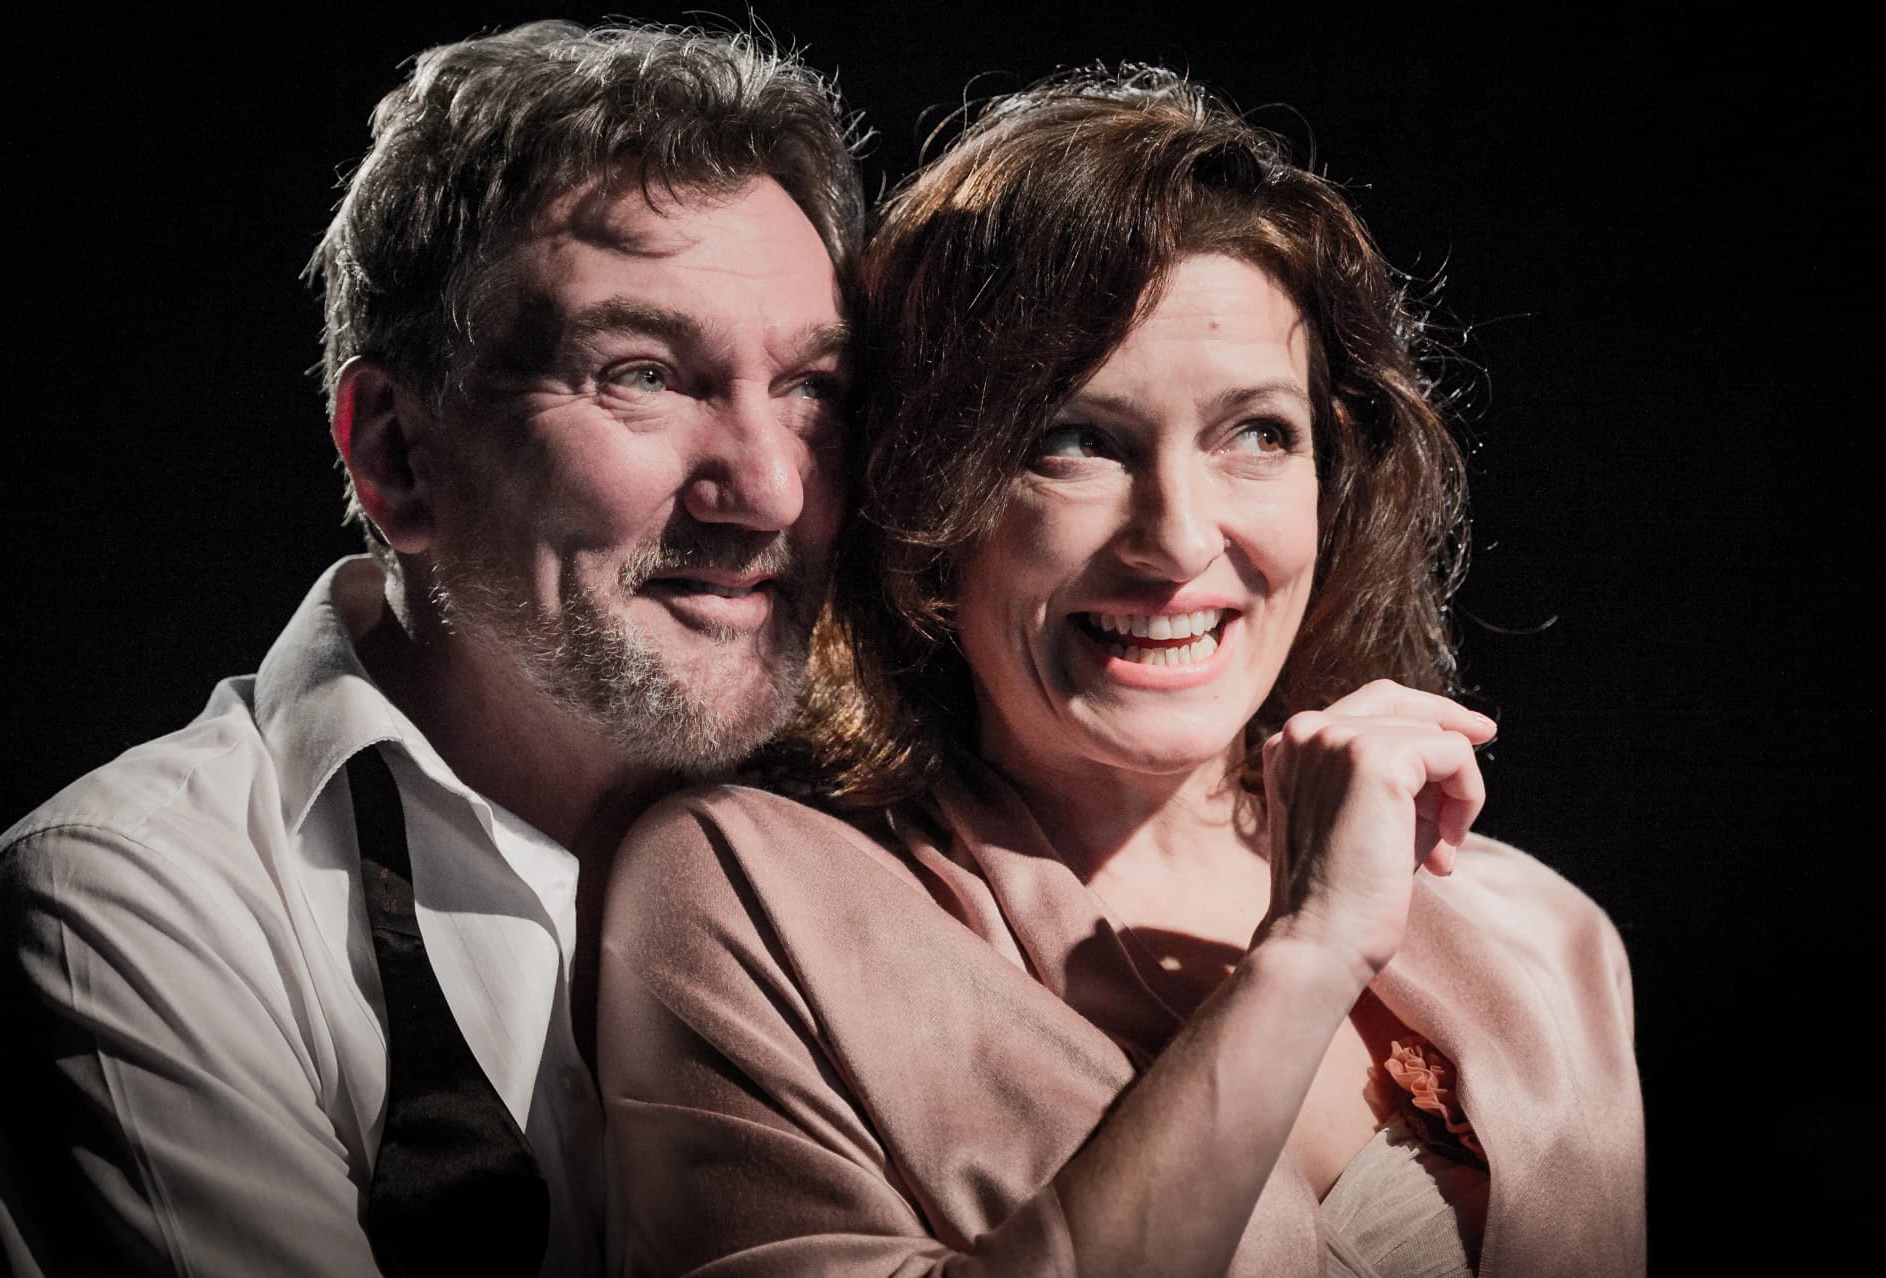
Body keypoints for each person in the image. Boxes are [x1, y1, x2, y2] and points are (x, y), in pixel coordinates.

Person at [599, 67, 1646, 1275]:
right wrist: (1302, 958)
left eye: (1258, 433)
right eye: (1076, 441)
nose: (1179, 542)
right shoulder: (742, 893)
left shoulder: (1543, 937)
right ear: (930, 494)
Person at [0, 19, 862, 1276]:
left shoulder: (898, 829)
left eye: (814, 388)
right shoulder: (142, 897)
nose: (768, 489)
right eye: (647, 374)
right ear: (395, 451)